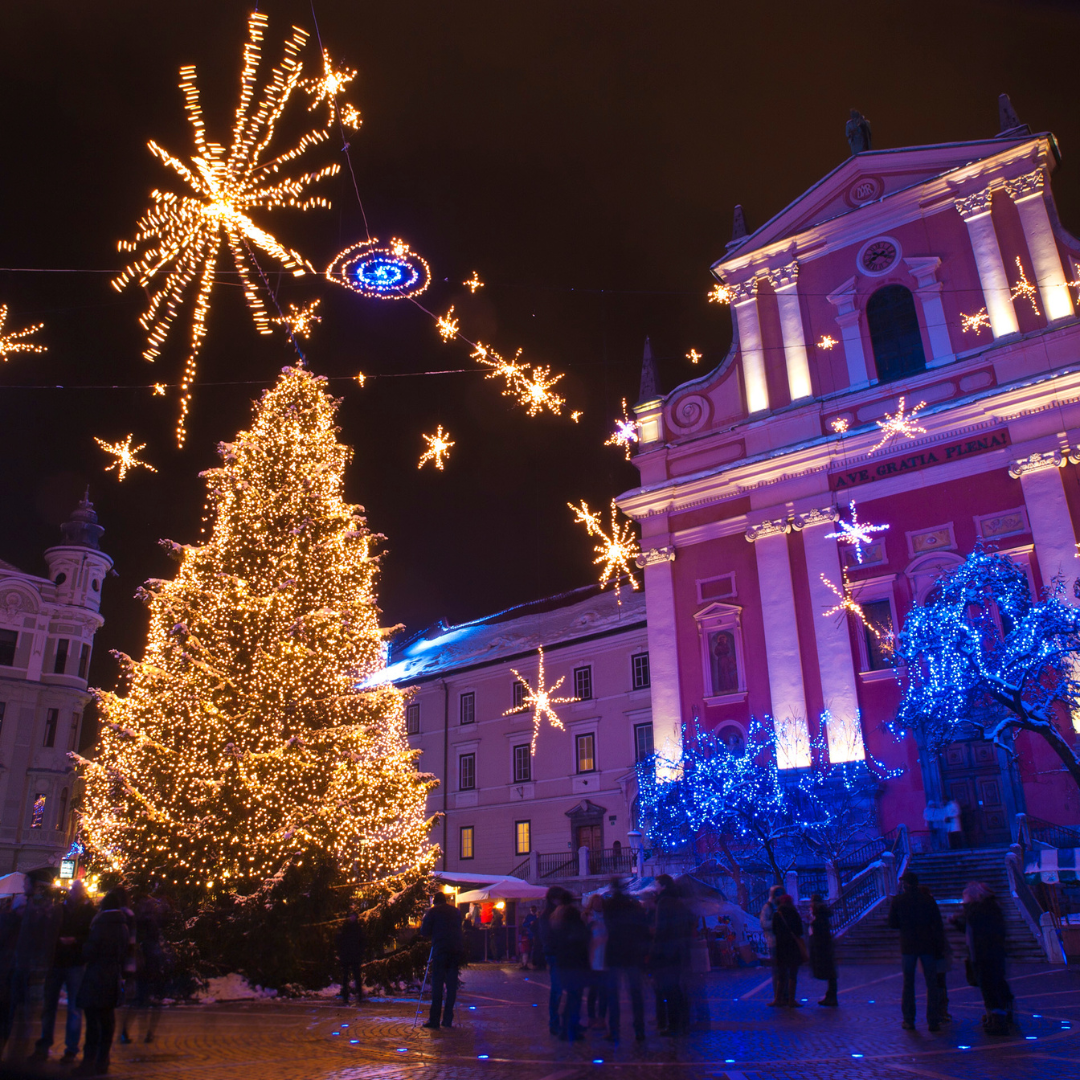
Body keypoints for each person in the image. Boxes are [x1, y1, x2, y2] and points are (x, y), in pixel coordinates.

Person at [33, 880, 95, 1063]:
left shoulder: (88, 912)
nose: (74, 892)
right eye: (73, 889)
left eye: (77, 890)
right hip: (58, 961)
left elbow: (90, 936)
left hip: (74, 962)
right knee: (51, 1006)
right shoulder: (60, 910)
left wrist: (75, 940)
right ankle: (45, 1045)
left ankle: (70, 1049)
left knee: (72, 1008)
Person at [75, 890, 131, 1077]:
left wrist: (82, 947)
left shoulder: (100, 925)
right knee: (107, 1021)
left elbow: (89, 951)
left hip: (96, 976)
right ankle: (102, 1060)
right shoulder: (123, 926)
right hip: (112, 976)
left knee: (92, 1022)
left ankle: (88, 1060)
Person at [9, 876, 61, 1056]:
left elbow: (39, 936)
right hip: (26, 962)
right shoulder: (37, 904)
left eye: (26, 883)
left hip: (32, 964)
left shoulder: (40, 907)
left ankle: (24, 1048)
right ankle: (20, 1046)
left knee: (29, 1008)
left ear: (35, 885)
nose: (23, 885)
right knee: (22, 1007)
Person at [888, 871, 944, 1031]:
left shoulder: (899, 901)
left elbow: (892, 923)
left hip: (908, 945)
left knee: (908, 983)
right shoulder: (928, 900)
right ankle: (933, 1020)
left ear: (905, 884)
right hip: (927, 944)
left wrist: (905, 924)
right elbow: (937, 924)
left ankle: (909, 1019)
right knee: (931, 983)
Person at [955, 882, 1014, 1035]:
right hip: (985, 953)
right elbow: (971, 930)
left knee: (990, 986)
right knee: (991, 985)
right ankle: (997, 1015)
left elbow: (978, 928)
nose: (963, 899)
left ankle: (998, 1019)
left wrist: (965, 912)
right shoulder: (987, 908)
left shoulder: (981, 910)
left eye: (965, 896)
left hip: (986, 954)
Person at [603, 881, 647, 1043]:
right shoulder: (633, 906)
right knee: (636, 994)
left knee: (613, 995)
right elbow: (641, 929)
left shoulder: (610, 906)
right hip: (632, 953)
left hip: (615, 953)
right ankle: (639, 1029)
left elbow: (609, 926)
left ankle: (614, 1029)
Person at [652, 875, 692, 1036]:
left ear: (662, 886)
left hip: (666, 952)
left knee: (669, 990)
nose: (655, 887)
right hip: (678, 950)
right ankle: (681, 1022)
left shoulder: (664, 903)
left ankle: (674, 1024)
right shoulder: (677, 902)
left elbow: (661, 930)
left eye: (656, 884)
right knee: (675, 988)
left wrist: (655, 952)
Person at [418, 893, 465, 1030]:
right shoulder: (455, 911)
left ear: (435, 902)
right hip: (455, 951)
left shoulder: (433, 912)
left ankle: (434, 1020)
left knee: (437, 986)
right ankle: (448, 1019)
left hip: (440, 951)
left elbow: (425, 931)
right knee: (451, 986)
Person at [549, 895, 589, 1042]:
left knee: (572, 996)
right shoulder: (571, 915)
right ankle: (568, 1029)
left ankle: (568, 1027)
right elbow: (580, 938)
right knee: (574, 997)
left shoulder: (556, 917)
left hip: (564, 962)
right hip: (574, 962)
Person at [538, 886, 568, 1035]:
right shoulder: (548, 915)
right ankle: (555, 1022)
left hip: (560, 954)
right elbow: (548, 937)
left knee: (561, 989)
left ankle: (559, 1021)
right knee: (557, 989)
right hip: (556, 954)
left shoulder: (555, 913)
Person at [771, 894, 805, 1008]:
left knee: (781, 974)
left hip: (781, 947)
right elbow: (800, 931)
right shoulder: (795, 914)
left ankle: (778, 999)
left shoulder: (777, 915)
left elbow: (774, 931)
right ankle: (791, 999)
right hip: (793, 947)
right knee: (792, 974)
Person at [583, 894, 608, 1029]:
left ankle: (602, 1017)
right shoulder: (587, 917)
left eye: (600, 902)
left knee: (603, 991)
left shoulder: (607, 916)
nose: (598, 904)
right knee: (593, 991)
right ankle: (592, 1017)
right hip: (593, 958)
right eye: (596, 902)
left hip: (605, 958)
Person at [808, 893, 837, 1007]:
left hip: (823, 948)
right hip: (825, 947)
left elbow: (819, 934)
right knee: (830, 973)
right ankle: (830, 995)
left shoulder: (819, 919)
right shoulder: (821, 917)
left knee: (830, 973)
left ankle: (831, 997)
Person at [759, 884, 784, 1006]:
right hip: (774, 942)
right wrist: (777, 921)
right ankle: (778, 996)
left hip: (785, 942)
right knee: (777, 971)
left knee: (786, 971)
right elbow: (764, 923)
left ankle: (786, 996)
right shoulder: (768, 907)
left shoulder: (784, 906)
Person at [336, 911, 366, 1005]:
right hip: (347, 956)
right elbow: (340, 941)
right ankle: (346, 996)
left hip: (354, 956)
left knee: (356, 976)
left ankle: (359, 995)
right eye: (351, 916)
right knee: (346, 977)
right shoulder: (347, 928)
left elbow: (362, 942)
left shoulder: (357, 928)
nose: (352, 918)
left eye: (353, 916)